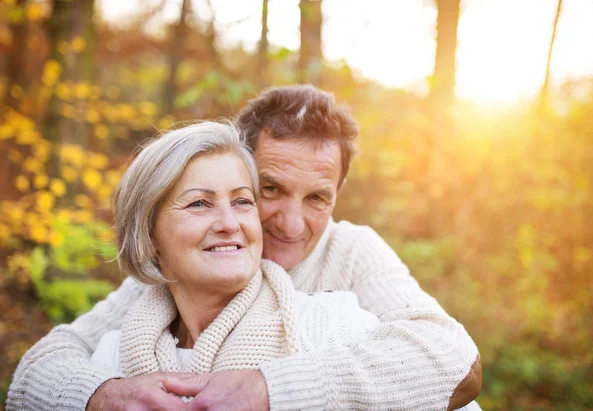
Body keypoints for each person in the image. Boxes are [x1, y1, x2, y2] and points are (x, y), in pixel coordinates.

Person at [7, 85, 481, 411]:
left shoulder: (350, 262)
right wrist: (100, 394)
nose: (290, 224)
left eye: (317, 198)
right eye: (269, 190)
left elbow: (455, 363)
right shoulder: (170, 279)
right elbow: (45, 363)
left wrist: (271, 389)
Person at [87, 121, 382, 403]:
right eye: (199, 204)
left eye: (242, 201)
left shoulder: (334, 325)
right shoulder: (111, 360)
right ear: (148, 235)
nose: (229, 224)